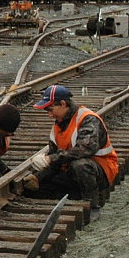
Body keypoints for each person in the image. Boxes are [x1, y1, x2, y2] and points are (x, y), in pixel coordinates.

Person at [25, 85, 118, 221]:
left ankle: (92, 206)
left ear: (63, 104)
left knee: (79, 165)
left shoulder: (87, 119)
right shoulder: (58, 125)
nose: (50, 115)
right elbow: (55, 163)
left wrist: (51, 159)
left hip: (100, 170)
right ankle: (76, 194)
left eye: (51, 110)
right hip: (72, 171)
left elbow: (86, 149)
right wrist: (38, 177)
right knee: (38, 188)